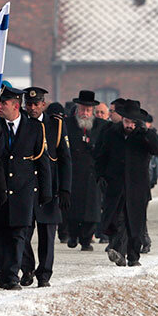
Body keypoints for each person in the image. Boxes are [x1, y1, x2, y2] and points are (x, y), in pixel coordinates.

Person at [0, 85, 51, 290]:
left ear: (15, 106)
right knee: (0, 235)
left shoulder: (34, 128)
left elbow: (42, 161)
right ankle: (4, 273)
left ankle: (13, 276)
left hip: (24, 190)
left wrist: (46, 192)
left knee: (19, 236)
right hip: (0, 189)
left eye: (4, 103)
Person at [94, 99, 158, 267]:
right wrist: (99, 176)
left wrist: (147, 133)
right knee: (117, 219)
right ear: (122, 119)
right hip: (116, 184)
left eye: (132, 122)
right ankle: (117, 251)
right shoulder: (111, 133)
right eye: (126, 121)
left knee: (135, 223)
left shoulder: (144, 136)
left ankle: (133, 256)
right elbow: (101, 155)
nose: (129, 125)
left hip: (137, 187)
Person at [20, 91, 71, 288]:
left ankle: (44, 274)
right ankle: (27, 268)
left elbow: (65, 159)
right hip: (26, 185)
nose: (32, 108)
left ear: (43, 104)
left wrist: (65, 188)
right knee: (22, 230)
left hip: (49, 186)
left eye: (36, 104)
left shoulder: (56, 125)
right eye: (29, 104)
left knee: (47, 234)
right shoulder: (22, 123)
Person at [64, 91, 107, 251]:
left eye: (88, 111)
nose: (85, 113)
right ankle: (73, 235)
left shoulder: (101, 127)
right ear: (77, 110)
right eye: (82, 110)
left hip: (92, 174)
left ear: (93, 112)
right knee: (72, 207)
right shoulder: (68, 124)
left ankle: (86, 240)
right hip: (73, 173)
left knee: (92, 210)